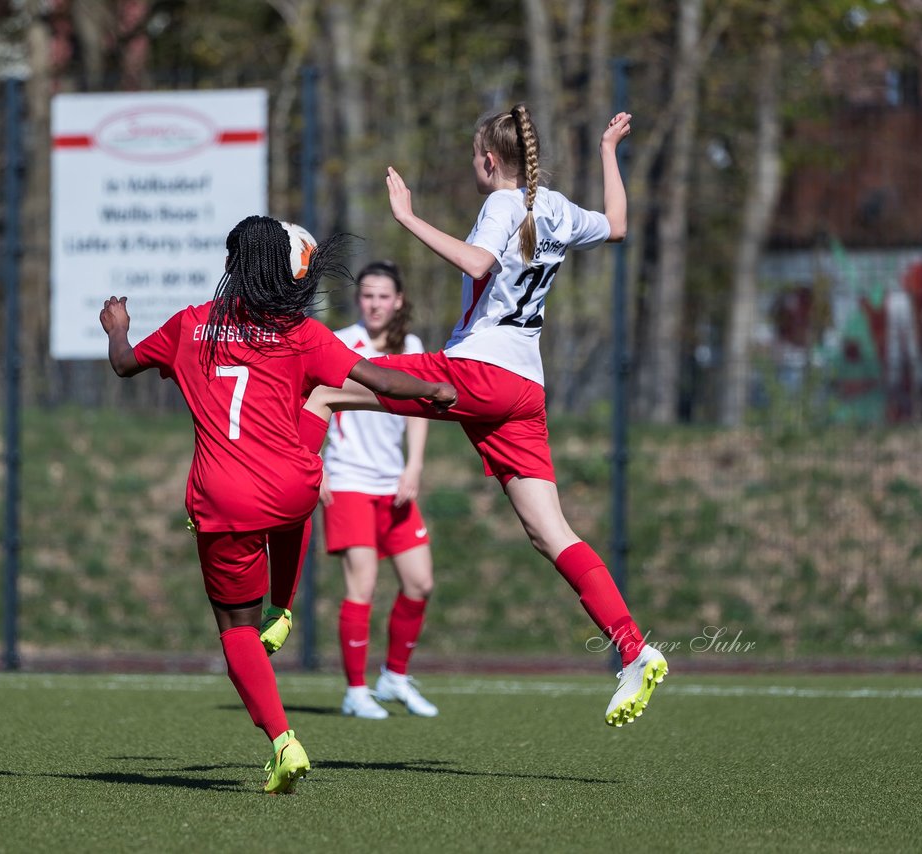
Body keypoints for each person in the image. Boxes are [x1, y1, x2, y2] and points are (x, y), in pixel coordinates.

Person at [304, 105, 668, 728]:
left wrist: (408, 218)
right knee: (551, 533)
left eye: (475, 156)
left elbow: (479, 264)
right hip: (524, 388)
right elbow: (616, 225)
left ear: (490, 160)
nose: (474, 164)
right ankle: (633, 647)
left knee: (324, 386)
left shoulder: (503, 203)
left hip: (476, 371)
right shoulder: (553, 206)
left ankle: (276, 570)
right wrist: (609, 149)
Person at [99, 215, 456, 794]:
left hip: (224, 499)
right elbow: (384, 380)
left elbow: (123, 363)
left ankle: (283, 742)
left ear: (234, 268)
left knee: (235, 633)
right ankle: (283, 607)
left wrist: (118, 326)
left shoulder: (192, 325)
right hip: (295, 488)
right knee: (313, 417)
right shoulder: (301, 332)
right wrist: (436, 391)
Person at [320, 261, 439, 719]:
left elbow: (419, 412)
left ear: (399, 301)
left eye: (383, 296)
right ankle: (355, 690)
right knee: (363, 586)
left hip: (394, 485)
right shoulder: (340, 343)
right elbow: (311, 400)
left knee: (420, 582)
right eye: (367, 295)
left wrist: (414, 465)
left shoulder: (410, 345)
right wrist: (315, 463)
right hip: (348, 480)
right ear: (359, 300)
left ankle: (393, 677)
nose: (374, 303)